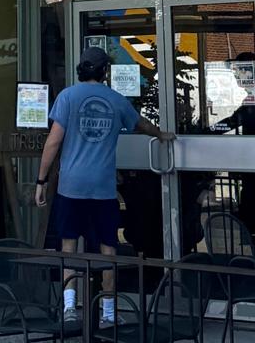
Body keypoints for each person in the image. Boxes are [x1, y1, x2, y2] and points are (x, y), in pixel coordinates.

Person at [35, 46, 169, 325]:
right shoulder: (115, 100)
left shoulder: (67, 97)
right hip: (103, 187)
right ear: (105, 71)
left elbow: (53, 141)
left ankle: (70, 308)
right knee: (108, 249)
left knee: (68, 245)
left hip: (70, 185)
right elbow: (141, 124)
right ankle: (109, 313)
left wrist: (41, 179)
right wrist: (162, 134)